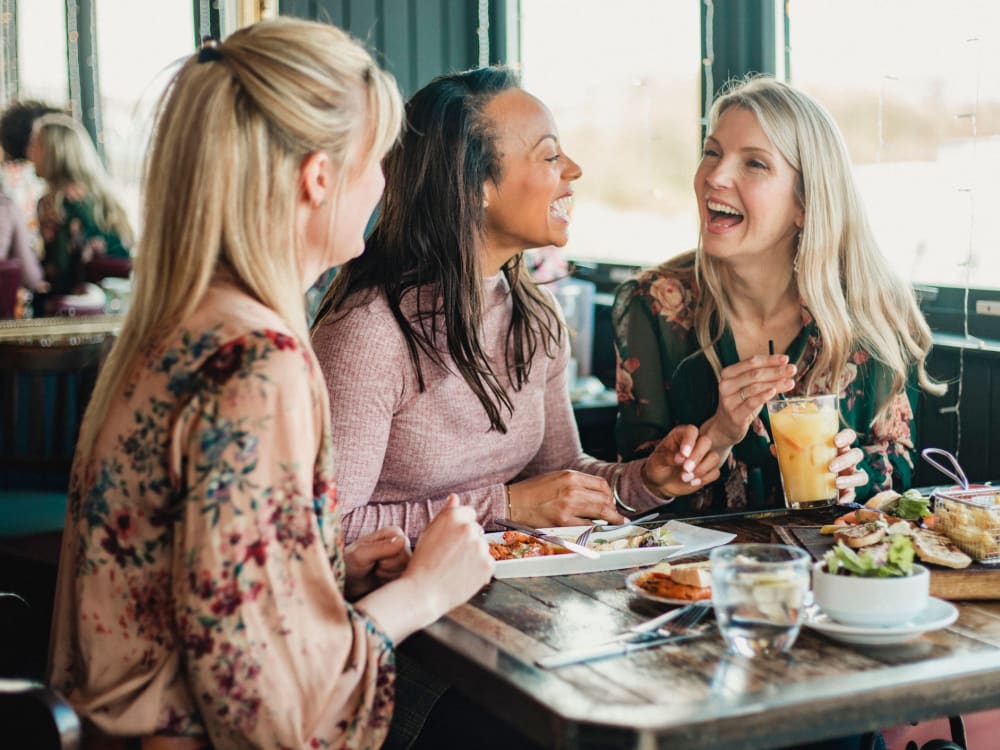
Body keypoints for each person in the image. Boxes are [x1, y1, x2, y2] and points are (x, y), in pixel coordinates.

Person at [48, 19, 493, 749]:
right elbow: (272, 720)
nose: (384, 186)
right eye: (378, 160)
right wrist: (425, 591)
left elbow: (195, 594)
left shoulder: (178, 324)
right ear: (320, 177)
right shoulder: (260, 361)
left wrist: (317, 570)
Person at [311, 66, 720, 545]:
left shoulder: (535, 316)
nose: (574, 169)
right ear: (476, 185)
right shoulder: (370, 332)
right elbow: (324, 529)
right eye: (549, 155)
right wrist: (504, 506)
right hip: (400, 609)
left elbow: (561, 479)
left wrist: (649, 481)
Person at [613, 76, 945, 516]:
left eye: (754, 164)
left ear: (805, 204)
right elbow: (635, 487)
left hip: (831, 573)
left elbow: (899, 461)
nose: (715, 176)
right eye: (712, 152)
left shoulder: (872, 310)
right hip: (692, 577)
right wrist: (720, 430)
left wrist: (858, 470)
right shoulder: (654, 304)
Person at [27, 113, 133, 296]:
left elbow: (59, 272)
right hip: (117, 301)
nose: (29, 153)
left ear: (54, 153)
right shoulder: (104, 198)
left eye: (35, 145)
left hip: (76, 308)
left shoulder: (54, 204)